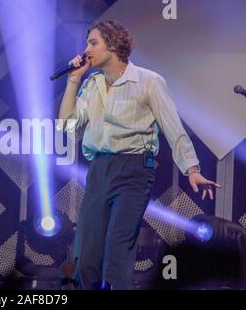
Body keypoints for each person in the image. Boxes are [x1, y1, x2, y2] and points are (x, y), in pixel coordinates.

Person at [57, 20, 221, 290]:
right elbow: (67, 125)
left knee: (118, 247)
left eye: (93, 43)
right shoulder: (93, 83)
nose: (86, 50)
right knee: (87, 252)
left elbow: (173, 127)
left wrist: (191, 169)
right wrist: (74, 79)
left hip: (134, 169)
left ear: (112, 44)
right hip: (99, 169)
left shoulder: (148, 81)